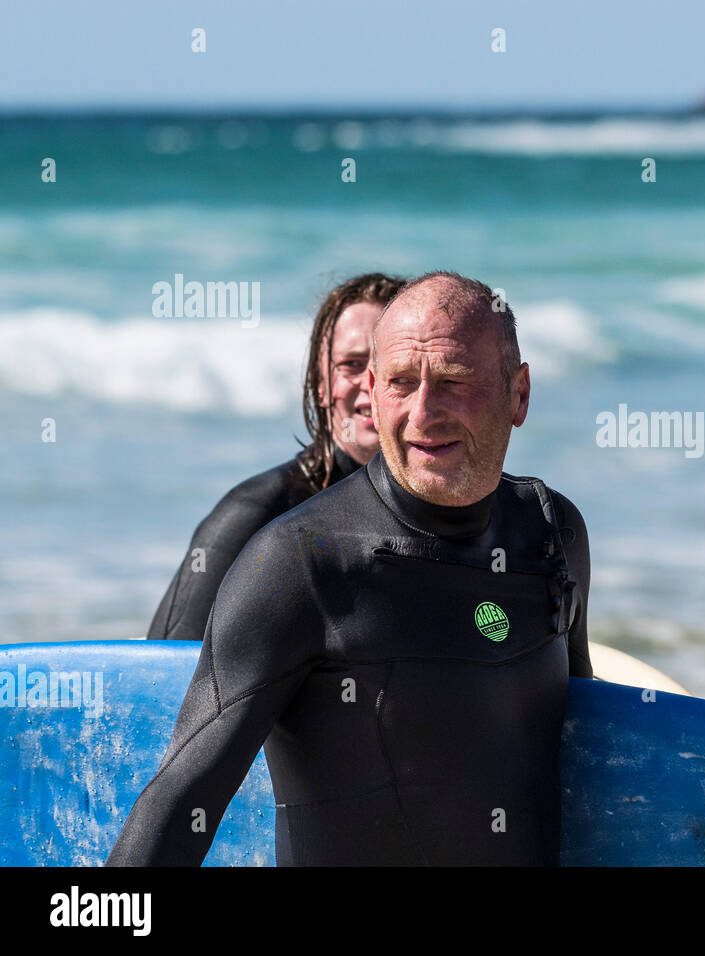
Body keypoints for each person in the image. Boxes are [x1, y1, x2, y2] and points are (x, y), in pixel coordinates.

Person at [108, 271, 593, 866]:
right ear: (372, 388)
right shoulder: (297, 564)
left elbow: (590, 748)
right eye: (400, 383)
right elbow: (175, 810)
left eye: (454, 381)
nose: (423, 412)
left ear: (518, 394)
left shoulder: (551, 533)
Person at [147, 273, 406, 642]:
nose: (371, 381)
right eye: (350, 364)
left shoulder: (438, 516)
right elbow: (165, 672)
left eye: (390, 363)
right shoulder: (256, 513)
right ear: (320, 384)